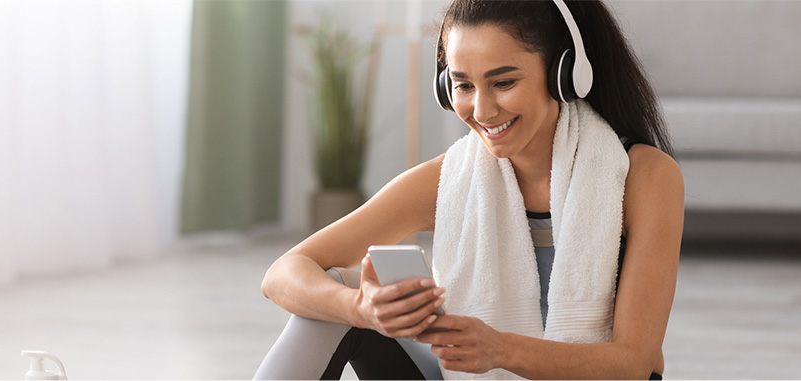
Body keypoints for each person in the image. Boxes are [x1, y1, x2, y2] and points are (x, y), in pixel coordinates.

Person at [256, 0, 682, 379]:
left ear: (562, 76)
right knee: (332, 294)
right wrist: (363, 311)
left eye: (503, 82)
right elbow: (283, 274)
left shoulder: (641, 176)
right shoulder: (447, 178)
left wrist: (500, 349)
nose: (482, 110)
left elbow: (632, 364)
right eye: (463, 85)